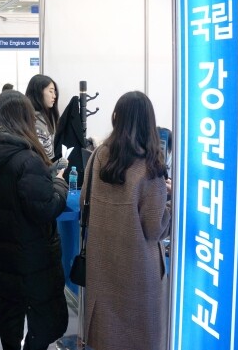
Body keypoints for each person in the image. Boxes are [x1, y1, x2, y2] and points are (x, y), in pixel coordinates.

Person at [0, 90, 69, 350]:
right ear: (25, 118)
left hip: (2, 245)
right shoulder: (27, 158)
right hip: (33, 250)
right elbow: (47, 207)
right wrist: (59, 183)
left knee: (9, 309)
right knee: (42, 316)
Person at [81, 91, 171, 350]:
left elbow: (86, 200)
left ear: (116, 118)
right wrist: (170, 202)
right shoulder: (151, 168)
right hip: (138, 272)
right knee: (139, 337)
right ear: (149, 123)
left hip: (102, 262)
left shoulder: (99, 155)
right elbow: (154, 228)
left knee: (106, 334)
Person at [25, 75, 60, 160]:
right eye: (51, 91)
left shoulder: (40, 118)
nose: (54, 96)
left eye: (54, 92)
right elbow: (44, 160)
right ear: (38, 93)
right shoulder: (36, 122)